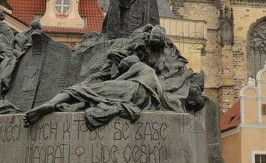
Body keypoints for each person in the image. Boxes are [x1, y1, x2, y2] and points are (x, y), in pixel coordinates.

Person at [24, 54, 162, 129]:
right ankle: (76, 105)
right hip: (143, 102)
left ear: (129, 64)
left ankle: (52, 103)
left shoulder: (139, 65)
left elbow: (119, 80)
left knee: (84, 89)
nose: (122, 70)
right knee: (96, 97)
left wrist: (107, 77)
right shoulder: (153, 77)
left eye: (123, 67)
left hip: (133, 89)